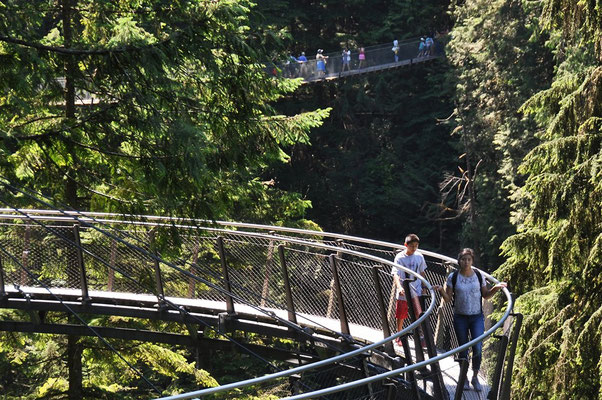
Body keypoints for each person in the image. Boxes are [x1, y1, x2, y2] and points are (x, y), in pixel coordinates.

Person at [435, 248, 507, 392]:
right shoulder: (453, 277)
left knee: (478, 348)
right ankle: (464, 379)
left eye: (469, 259)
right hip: (460, 317)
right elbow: (448, 299)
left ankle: (475, 376)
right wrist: (441, 290)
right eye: (463, 259)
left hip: (476, 317)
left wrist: (496, 288)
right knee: (463, 349)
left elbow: (485, 295)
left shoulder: (479, 276)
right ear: (459, 261)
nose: (466, 262)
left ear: (472, 261)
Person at [391, 233, 427, 346]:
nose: (414, 248)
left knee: (418, 313)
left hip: (416, 289)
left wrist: (424, 286)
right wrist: (399, 286)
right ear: (406, 245)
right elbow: (395, 274)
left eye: (416, 246)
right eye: (412, 246)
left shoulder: (419, 256)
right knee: (401, 314)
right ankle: (398, 335)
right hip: (403, 290)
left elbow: (422, 272)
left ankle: (420, 337)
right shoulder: (400, 257)